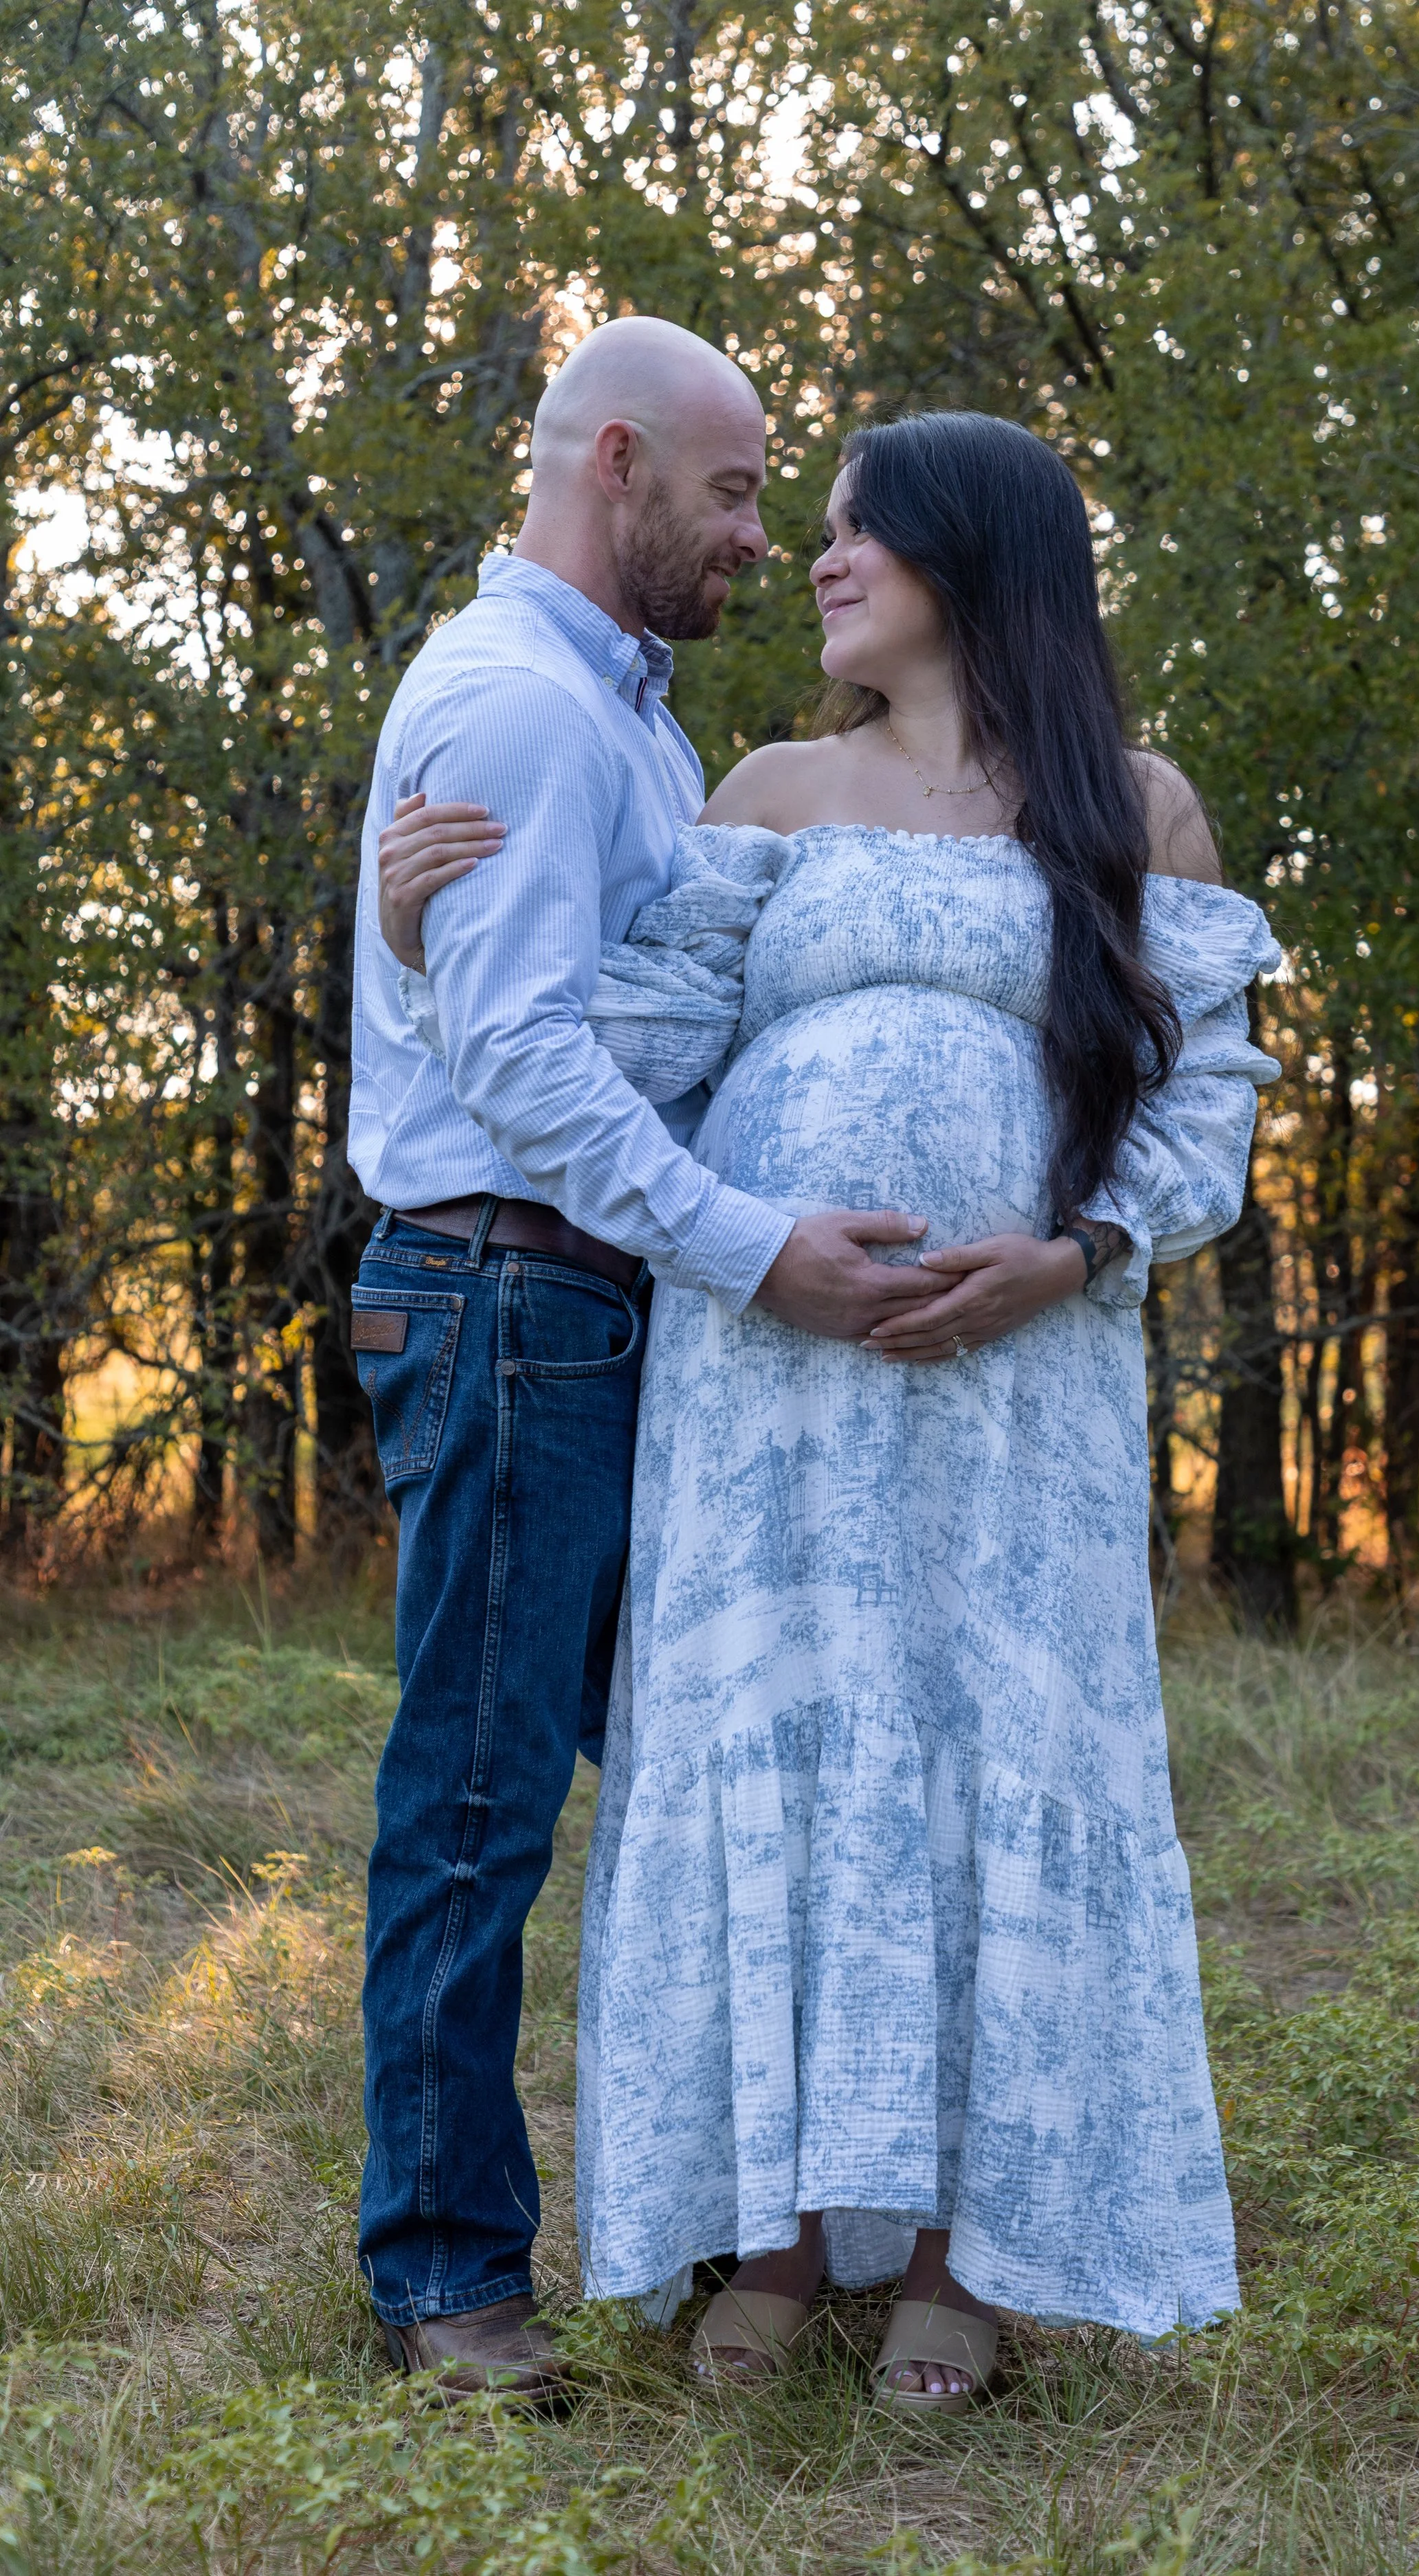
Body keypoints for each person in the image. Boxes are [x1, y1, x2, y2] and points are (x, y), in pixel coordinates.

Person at [378, 410, 1280, 2414]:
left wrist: (1077, 1249)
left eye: (857, 529)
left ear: (979, 555)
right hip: (764, 1379)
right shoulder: (768, 787)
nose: (814, 557)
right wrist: (424, 933)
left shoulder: (1136, 806)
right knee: (776, 1738)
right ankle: (779, 2230)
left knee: (980, 1744)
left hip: (1017, 1382)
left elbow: (1204, 1096)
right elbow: (619, 1051)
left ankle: (962, 2251)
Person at [344, 317, 952, 2404]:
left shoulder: (623, 726)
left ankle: (765, 2214)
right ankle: (442, 2273)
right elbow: (522, 1068)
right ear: (615, 462)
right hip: (514, 1300)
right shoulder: (516, 706)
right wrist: (750, 1249)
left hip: (594, 1309)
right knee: (480, 1803)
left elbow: (641, 1012)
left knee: (707, 1770)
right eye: (735, 489)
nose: (758, 534)